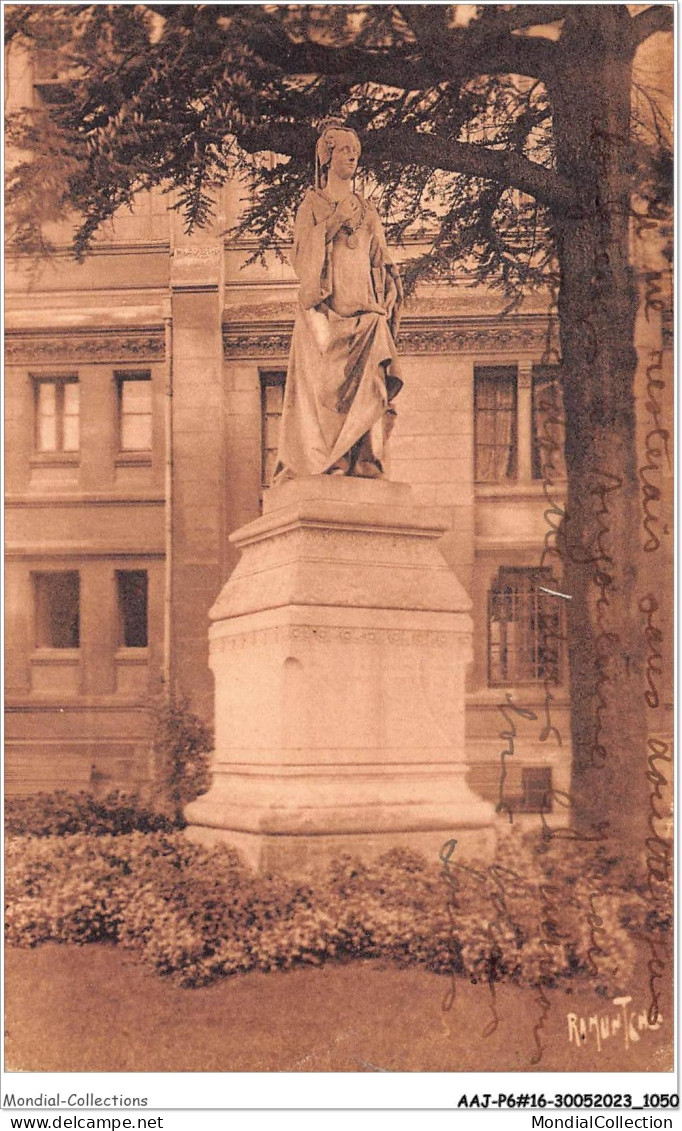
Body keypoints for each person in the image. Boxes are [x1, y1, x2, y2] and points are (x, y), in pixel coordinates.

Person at [272, 119, 404, 482]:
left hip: (364, 311)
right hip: (326, 312)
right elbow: (302, 256)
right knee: (328, 388)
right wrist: (332, 223)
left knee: (376, 378)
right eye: (345, 150)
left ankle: (366, 458)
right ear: (327, 156)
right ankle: (331, 459)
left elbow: (380, 256)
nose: (352, 157)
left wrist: (393, 279)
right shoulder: (312, 205)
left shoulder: (368, 210)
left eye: (356, 152)